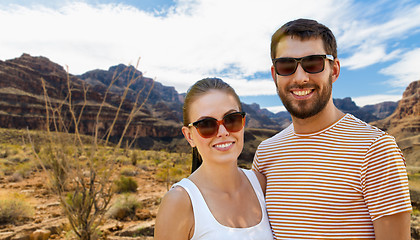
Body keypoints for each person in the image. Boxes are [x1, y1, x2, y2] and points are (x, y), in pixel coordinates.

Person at [252, 18, 412, 239]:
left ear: (334, 70)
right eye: (287, 65)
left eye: (313, 63)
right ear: (274, 75)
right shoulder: (266, 154)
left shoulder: (376, 149)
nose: (300, 77)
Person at [154, 78, 273, 240]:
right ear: (189, 136)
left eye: (232, 119)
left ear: (243, 122)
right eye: (206, 124)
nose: (223, 132)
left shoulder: (262, 185)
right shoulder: (180, 202)